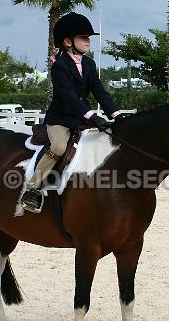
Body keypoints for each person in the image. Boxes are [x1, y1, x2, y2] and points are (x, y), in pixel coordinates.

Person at [20, 12, 122, 213]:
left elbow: (99, 91)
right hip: (61, 120)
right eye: (83, 38)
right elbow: (69, 97)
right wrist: (91, 116)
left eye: (88, 38)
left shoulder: (89, 64)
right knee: (58, 148)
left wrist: (117, 115)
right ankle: (33, 189)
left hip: (82, 119)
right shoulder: (60, 66)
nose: (88, 42)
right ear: (68, 42)